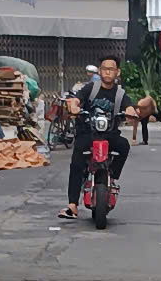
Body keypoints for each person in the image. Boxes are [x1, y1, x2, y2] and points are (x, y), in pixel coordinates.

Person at [59, 56, 137, 220]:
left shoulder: (120, 94)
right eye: (104, 69)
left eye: (111, 69)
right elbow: (76, 99)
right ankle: (72, 205)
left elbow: (129, 106)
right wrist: (74, 106)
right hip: (88, 133)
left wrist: (131, 111)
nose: (108, 72)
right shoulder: (91, 88)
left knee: (124, 146)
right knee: (77, 163)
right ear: (100, 71)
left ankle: (113, 176)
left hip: (109, 134)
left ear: (117, 72)